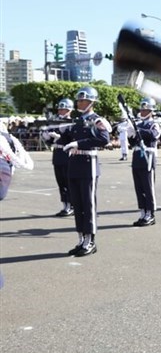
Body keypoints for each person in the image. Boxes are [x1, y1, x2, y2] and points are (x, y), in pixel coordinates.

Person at [56, 86, 111, 256]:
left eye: (82, 100)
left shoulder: (97, 120)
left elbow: (104, 139)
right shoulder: (76, 120)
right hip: (74, 163)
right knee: (77, 203)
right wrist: (56, 135)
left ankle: (90, 241)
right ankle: (81, 239)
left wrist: (79, 143)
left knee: (88, 204)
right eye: (78, 100)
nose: (79, 103)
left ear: (91, 102)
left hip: (88, 163)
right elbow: (66, 139)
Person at [129, 97, 161, 227]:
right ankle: (142, 212)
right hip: (137, 156)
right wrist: (131, 135)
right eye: (142, 110)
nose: (143, 112)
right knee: (139, 187)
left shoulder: (154, 124)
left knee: (148, 187)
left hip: (148, 156)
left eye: (146, 110)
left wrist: (138, 130)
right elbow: (133, 143)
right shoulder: (138, 124)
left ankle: (150, 213)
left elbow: (153, 135)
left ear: (151, 111)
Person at [41, 98, 75, 216]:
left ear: (69, 110)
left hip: (67, 152)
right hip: (57, 152)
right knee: (61, 181)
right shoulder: (55, 123)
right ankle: (65, 204)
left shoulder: (72, 123)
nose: (60, 111)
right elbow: (49, 141)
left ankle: (71, 205)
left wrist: (59, 138)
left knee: (68, 180)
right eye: (60, 109)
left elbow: (72, 138)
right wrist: (46, 135)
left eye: (63, 109)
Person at [0, 120, 34, 200]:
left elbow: (13, 153)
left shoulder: (8, 138)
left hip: (5, 162)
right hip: (4, 163)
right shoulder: (8, 137)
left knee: (1, 193)